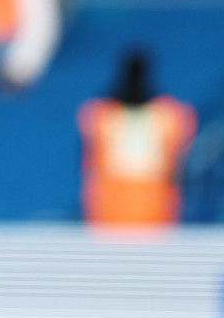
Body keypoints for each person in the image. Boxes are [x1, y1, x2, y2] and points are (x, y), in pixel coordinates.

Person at [78, 51, 197, 226]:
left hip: (109, 216)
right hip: (153, 215)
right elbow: (180, 170)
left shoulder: (98, 115)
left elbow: (86, 168)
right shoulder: (170, 116)